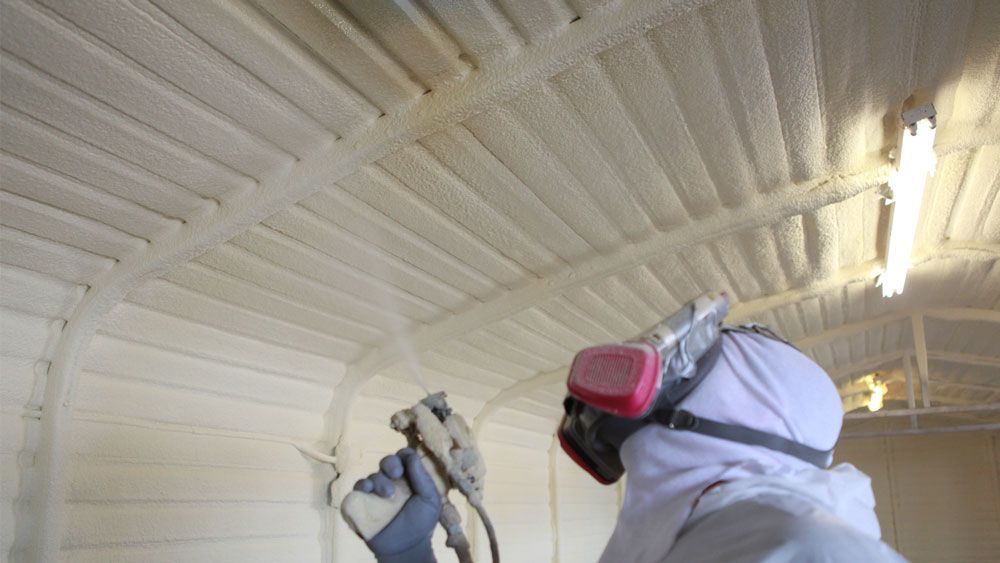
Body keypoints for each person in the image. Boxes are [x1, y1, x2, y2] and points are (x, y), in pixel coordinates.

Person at [353, 329, 906, 562]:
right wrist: (412, 557)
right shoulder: (700, 537)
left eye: (688, 368)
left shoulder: (808, 549)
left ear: (759, 414)